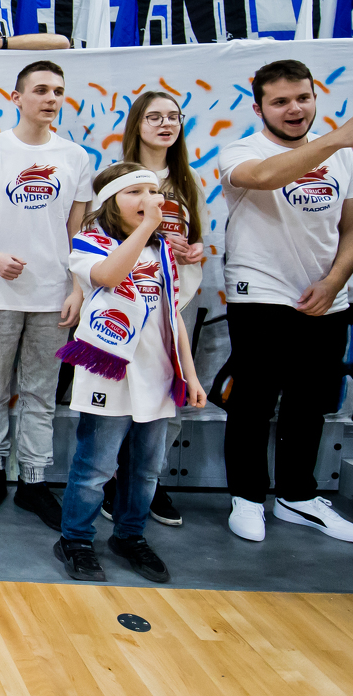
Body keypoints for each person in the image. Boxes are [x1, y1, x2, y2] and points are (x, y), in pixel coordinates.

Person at [217, 59, 353, 544]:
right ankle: (247, 497)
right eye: (280, 101)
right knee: (254, 400)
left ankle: (297, 497)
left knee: (310, 403)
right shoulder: (240, 150)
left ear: (315, 97)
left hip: (326, 297)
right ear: (258, 108)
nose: (294, 109)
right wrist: (335, 140)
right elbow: (266, 176)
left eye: (303, 98)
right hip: (259, 292)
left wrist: (334, 282)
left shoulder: (341, 156)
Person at [53, 163, 207, 583]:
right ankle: (75, 540)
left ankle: (130, 535)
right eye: (134, 192)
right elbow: (108, 275)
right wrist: (148, 230)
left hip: (157, 374)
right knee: (96, 468)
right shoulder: (90, 242)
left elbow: (173, 316)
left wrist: (191, 375)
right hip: (109, 373)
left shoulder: (162, 252)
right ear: (110, 202)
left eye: (152, 191)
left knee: (146, 469)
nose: (149, 200)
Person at [0, 60, 93, 529]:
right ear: (16, 98)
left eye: (58, 91)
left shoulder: (75, 157)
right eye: (40, 90)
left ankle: (33, 482)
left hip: (53, 296)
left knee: (41, 392)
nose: (51, 98)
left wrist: (77, 286)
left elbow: (79, 230)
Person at [98, 90, 209, 528]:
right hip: (129, 305)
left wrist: (195, 250)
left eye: (173, 117)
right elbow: (101, 242)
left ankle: (150, 479)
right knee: (122, 399)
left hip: (176, 304)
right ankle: (114, 480)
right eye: (155, 117)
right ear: (137, 125)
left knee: (167, 398)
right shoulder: (117, 177)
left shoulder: (188, 179)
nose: (166, 124)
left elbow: (198, 239)